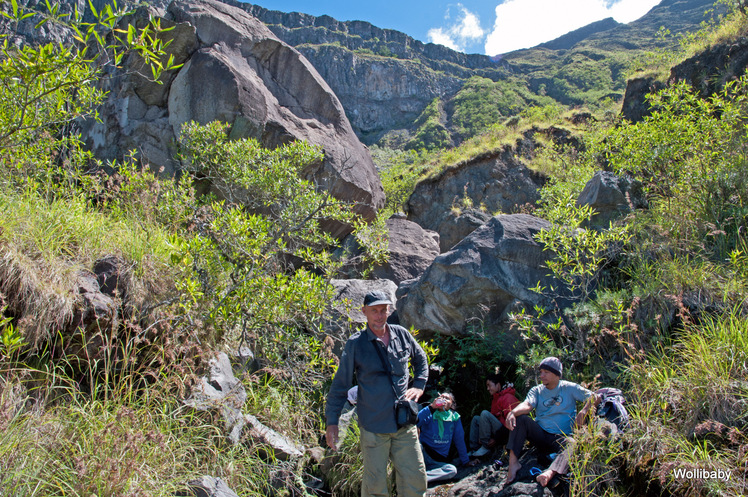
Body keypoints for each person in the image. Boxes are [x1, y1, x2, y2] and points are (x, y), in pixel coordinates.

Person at [325, 290, 429, 497]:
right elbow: (340, 386)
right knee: (375, 487)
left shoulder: (402, 334)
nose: (380, 315)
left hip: (404, 424)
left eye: (384, 310)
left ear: (389, 311)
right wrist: (332, 422)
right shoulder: (356, 344)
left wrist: (419, 384)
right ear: (364, 312)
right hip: (373, 427)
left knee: (416, 479)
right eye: (374, 311)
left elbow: (421, 359)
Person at [504, 356, 599, 485]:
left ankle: (550, 472)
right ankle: (513, 463)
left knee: (572, 443)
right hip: (541, 434)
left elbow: (595, 397)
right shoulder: (537, 390)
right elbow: (527, 405)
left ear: (556, 374)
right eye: (541, 372)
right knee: (520, 419)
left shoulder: (569, 388)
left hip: (561, 436)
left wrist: (584, 411)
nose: (542, 375)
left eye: (546, 372)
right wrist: (512, 412)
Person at [416, 392, 472, 483]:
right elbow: (415, 422)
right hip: (423, 454)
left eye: (447, 398)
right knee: (416, 443)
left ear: (451, 404)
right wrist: (431, 407)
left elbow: (459, 441)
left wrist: (466, 461)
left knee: (452, 470)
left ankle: (421, 478)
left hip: (437, 462)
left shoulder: (455, 418)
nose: (443, 399)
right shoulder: (430, 413)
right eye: (441, 397)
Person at [468, 373, 520, 458]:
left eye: (489, 385)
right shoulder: (495, 398)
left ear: (498, 385)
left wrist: (496, 439)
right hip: (498, 431)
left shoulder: (508, 398)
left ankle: (485, 447)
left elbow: (511, 425)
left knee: (484, 413)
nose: (488, 389)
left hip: (505, 435)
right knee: (476, 419)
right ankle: (474, 448)